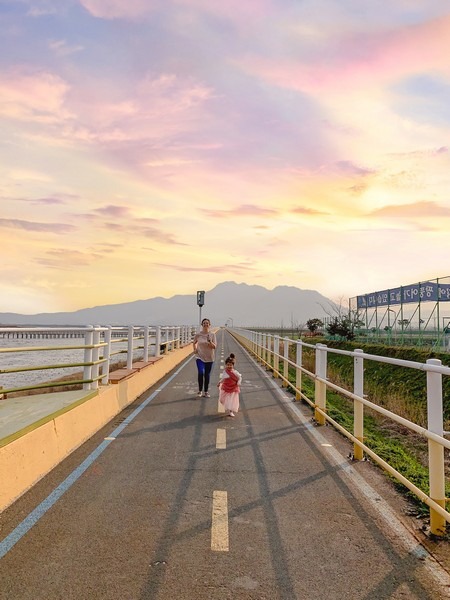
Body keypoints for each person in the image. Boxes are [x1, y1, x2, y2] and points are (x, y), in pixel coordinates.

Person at [192, 318, 217, 397]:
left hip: (210, 358)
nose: (206, 324)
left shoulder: (212, 335)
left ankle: (206, 391)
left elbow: (214, 347)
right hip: (199, 357)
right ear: (202, 325)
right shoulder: (198, 335)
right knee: (200, 372)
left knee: (207, 375)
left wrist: (210, 341)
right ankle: (200, 391)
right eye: (204, 323)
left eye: (207, 323)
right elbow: (194, 343)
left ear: (209, 325)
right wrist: (195, 349)